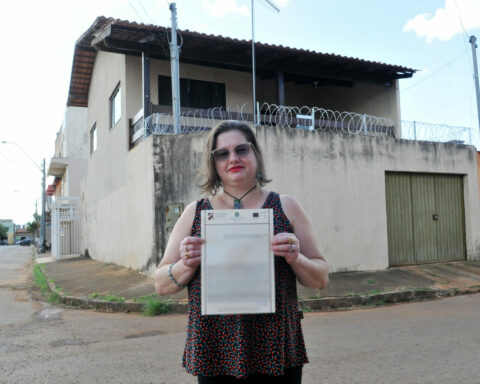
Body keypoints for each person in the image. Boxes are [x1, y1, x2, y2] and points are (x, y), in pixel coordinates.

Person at [154, 120, 329, 383]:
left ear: (255, 153)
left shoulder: (286, 207)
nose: (233, 158)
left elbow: (321, 278)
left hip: (276, 348)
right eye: (222, 153)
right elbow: (161, 284)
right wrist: (186, 265)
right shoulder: (196, 213)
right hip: (215, 351)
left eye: (241, 150)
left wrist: (296, 258)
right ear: (213, 163)